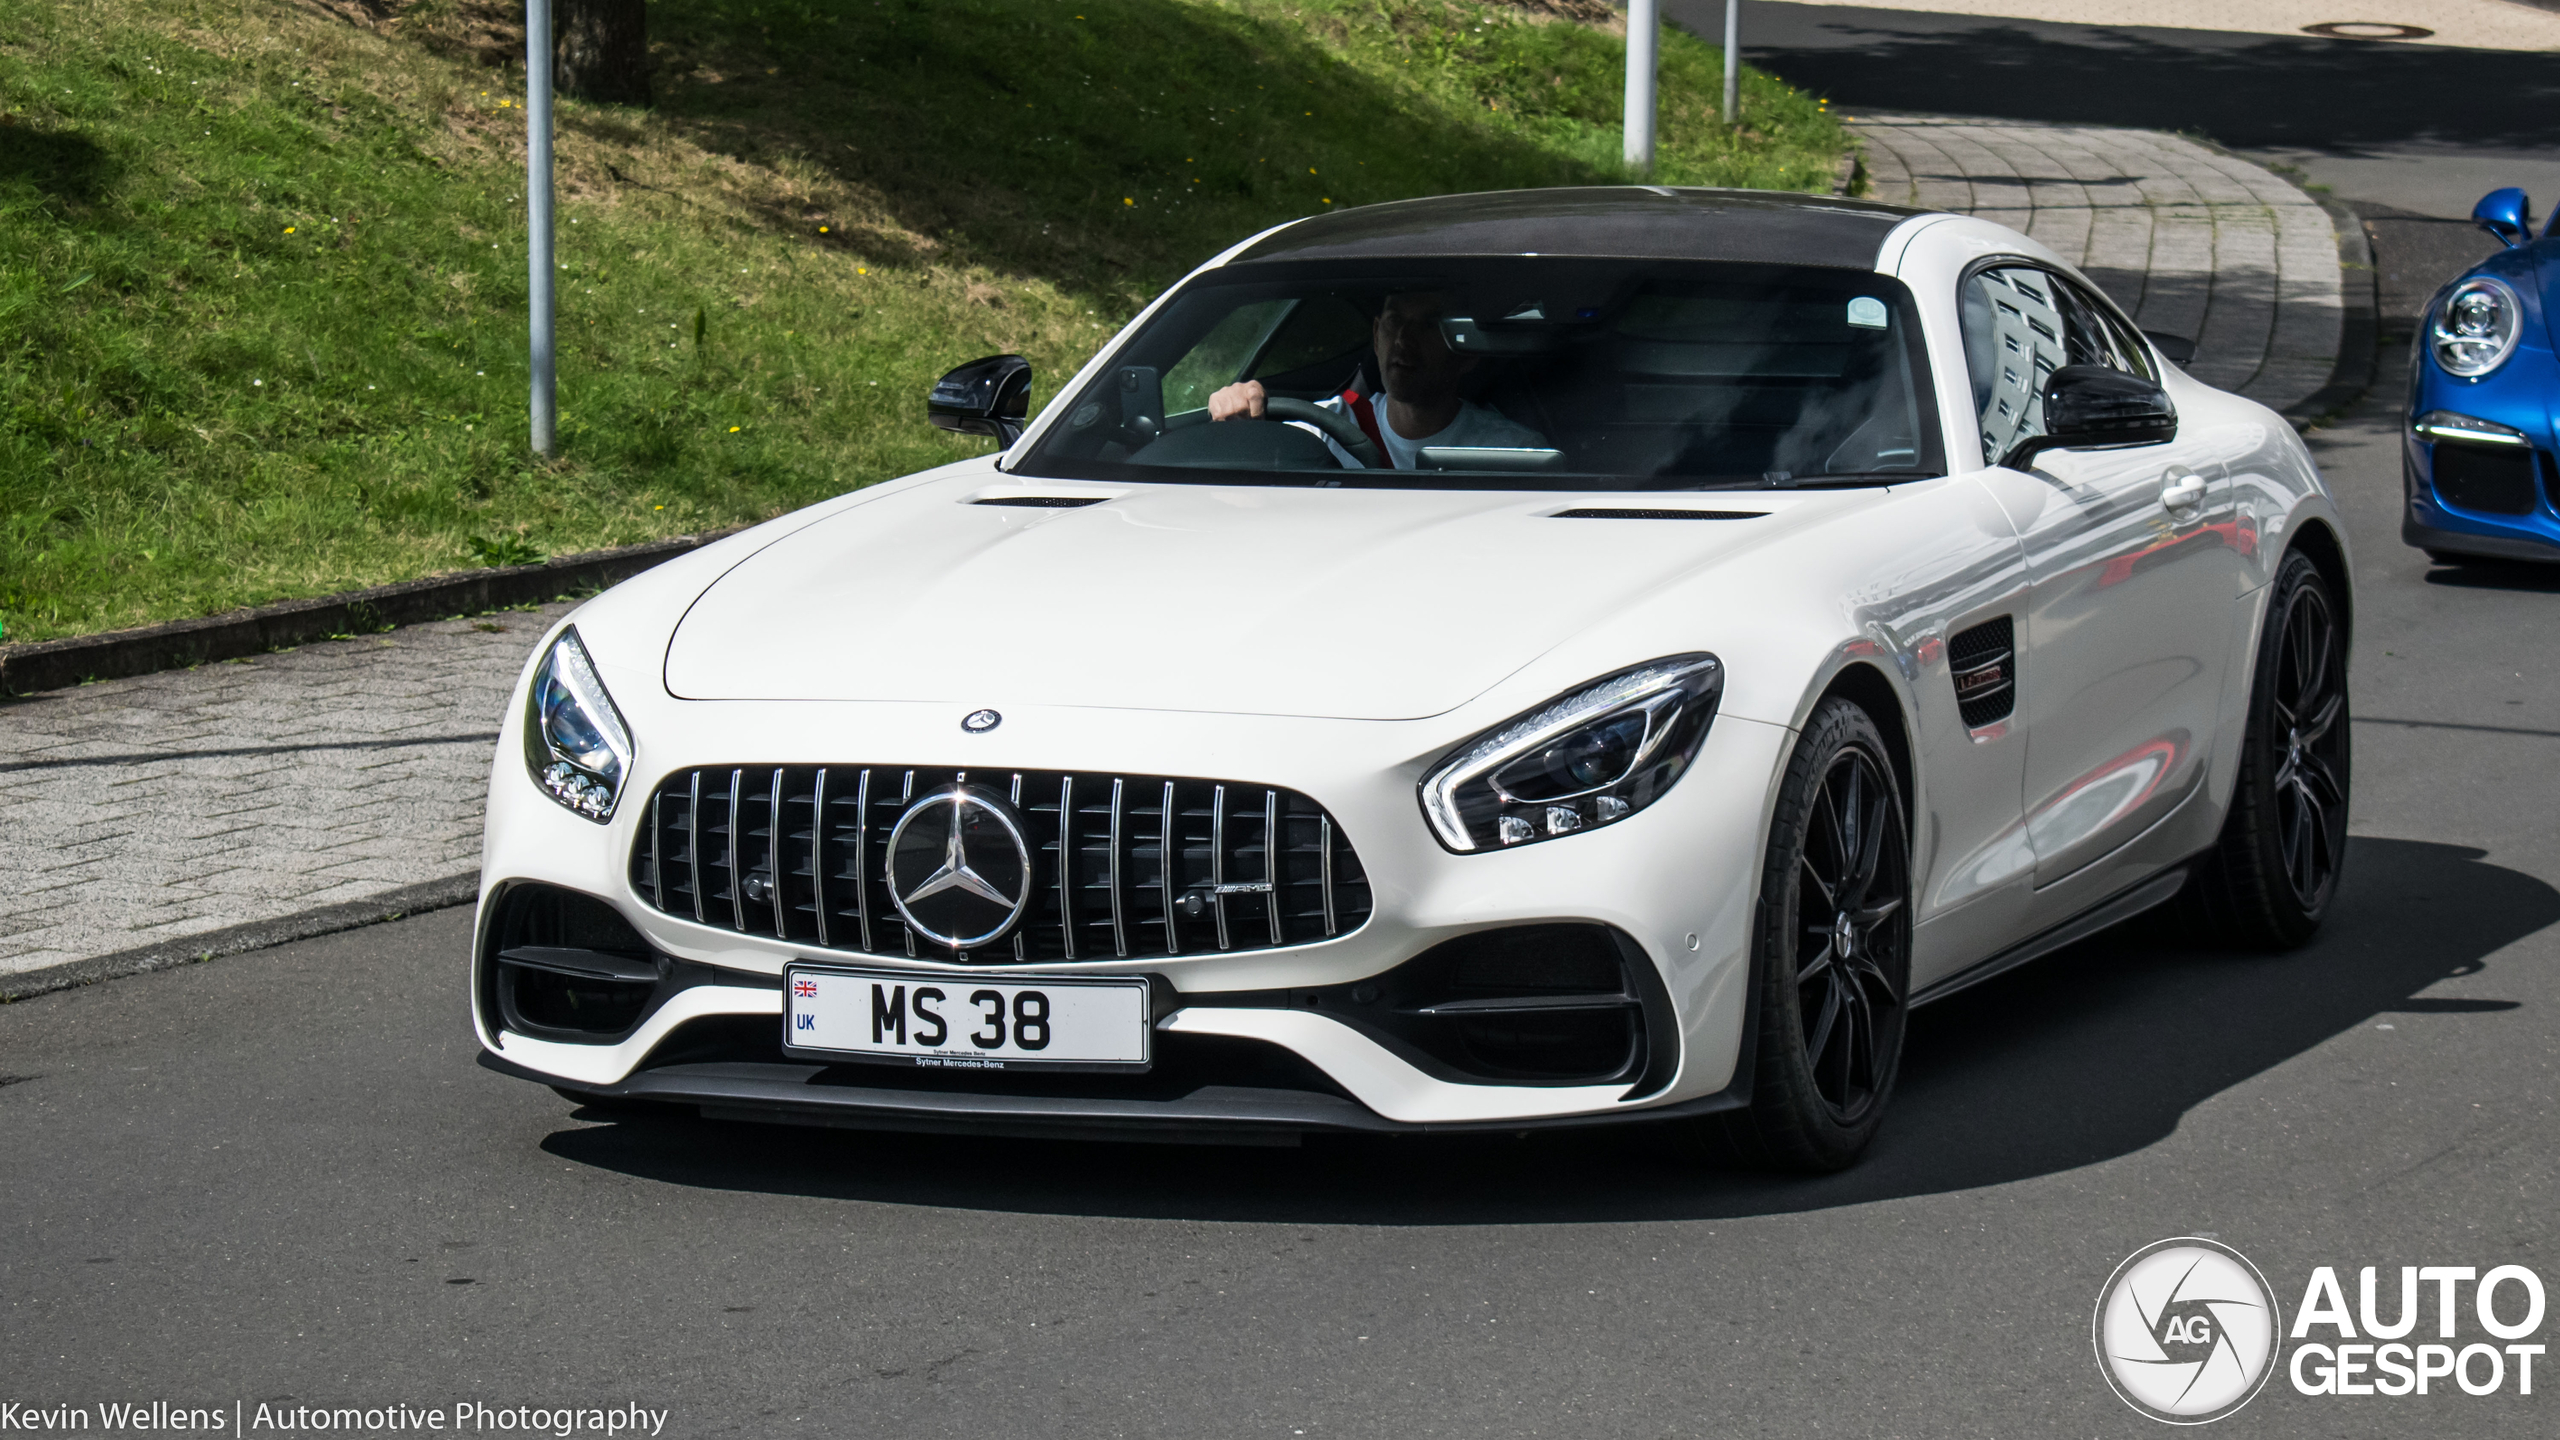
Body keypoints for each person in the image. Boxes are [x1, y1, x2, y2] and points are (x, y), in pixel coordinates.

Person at [1206, 290, 1546, 468]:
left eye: (1429, 324)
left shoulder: (1515, 453)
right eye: (1393, 321)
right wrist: (1241, 412)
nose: (1403, 340)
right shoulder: (1323, 428)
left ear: (1467, 351)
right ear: (1375, 335)